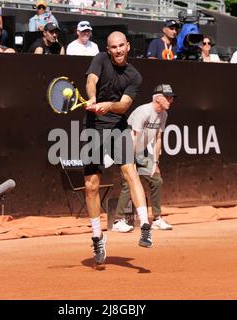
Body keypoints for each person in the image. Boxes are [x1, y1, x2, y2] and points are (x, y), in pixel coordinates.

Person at [84, 31, 151, 266]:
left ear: (128, 46)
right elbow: (91, 80)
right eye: (113, 47)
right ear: (108, 49)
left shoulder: (135, 76)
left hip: (119, 127)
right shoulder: (100, 59)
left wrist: (108, 106)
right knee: (90, 186)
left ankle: (145, 225)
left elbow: (123, 106)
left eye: (122, 45)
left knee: (129, 171)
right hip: (93, 128)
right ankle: (97, 237)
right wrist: (92, 98)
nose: (118, 50)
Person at [113, 84, 175, 233]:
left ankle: (157, 219)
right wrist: (131, 161)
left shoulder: (163, 115)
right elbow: (133, 137)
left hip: (141, 151)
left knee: (156, 179)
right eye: (168, 97)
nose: (171, 100)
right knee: (130, 183)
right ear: (158, 98)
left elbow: (158, 139)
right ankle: (117, 221)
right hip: (126, 148)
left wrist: (155, 162)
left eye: (171, 97)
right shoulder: (144, 111)